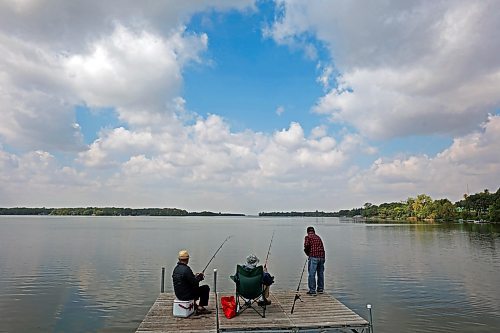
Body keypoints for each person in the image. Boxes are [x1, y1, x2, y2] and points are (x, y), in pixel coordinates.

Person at [172, 250, 211, 315]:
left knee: (193, 287)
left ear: (179, 259)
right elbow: (194, 282)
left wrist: (195, 276)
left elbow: (186, 279)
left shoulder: (176, 269)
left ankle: (195, 304)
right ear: (187, 259)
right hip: (187, 296)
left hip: (179, 295)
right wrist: (200, 277)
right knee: (205, 288)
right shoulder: (187, 269)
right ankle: (200, 308)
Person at [303, 226, 325, 295]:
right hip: (321, 257)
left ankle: (312, 290)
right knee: (320, 273)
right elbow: (322, 247)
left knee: (311, 274)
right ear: (314, 231)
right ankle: (320, 289)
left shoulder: (308, 237)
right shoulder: (318, 237)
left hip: (314, 257)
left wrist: (307, 253)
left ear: (307, 232)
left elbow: (306, 246)